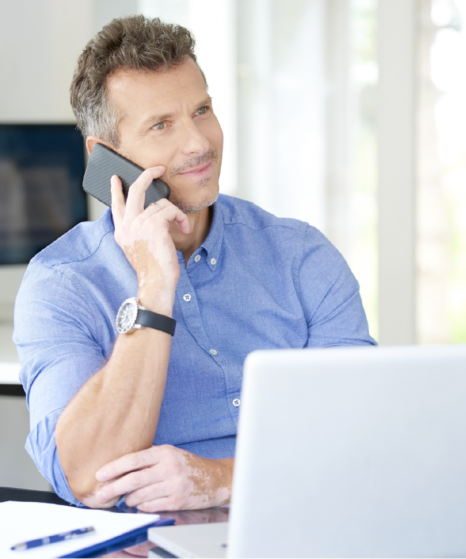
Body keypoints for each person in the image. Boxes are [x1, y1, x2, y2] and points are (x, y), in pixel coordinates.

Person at [13, 16, 375, 510]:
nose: (199, 143)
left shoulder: (302, 257)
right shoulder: (62, 283)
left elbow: (365, 438)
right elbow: (88, 478)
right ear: (105, 157)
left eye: (201, 110)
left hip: (304, 528)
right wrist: (153, 288)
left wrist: (222, 479)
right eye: (162, 125)